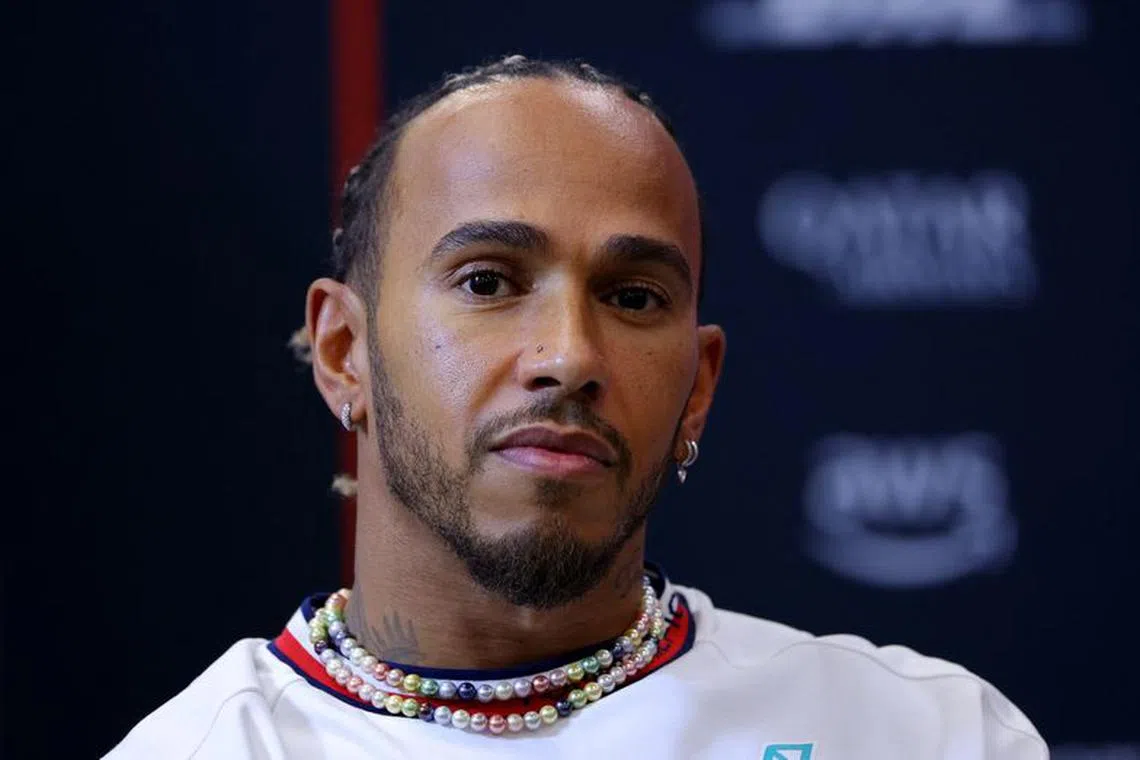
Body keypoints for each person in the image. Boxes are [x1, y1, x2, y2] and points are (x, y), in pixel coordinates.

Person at [106, 55, 1046, 759]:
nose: (569, 356)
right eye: (487, 282)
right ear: (344, 353)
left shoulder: (922, 735)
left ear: (699, 388)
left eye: (633, 297)